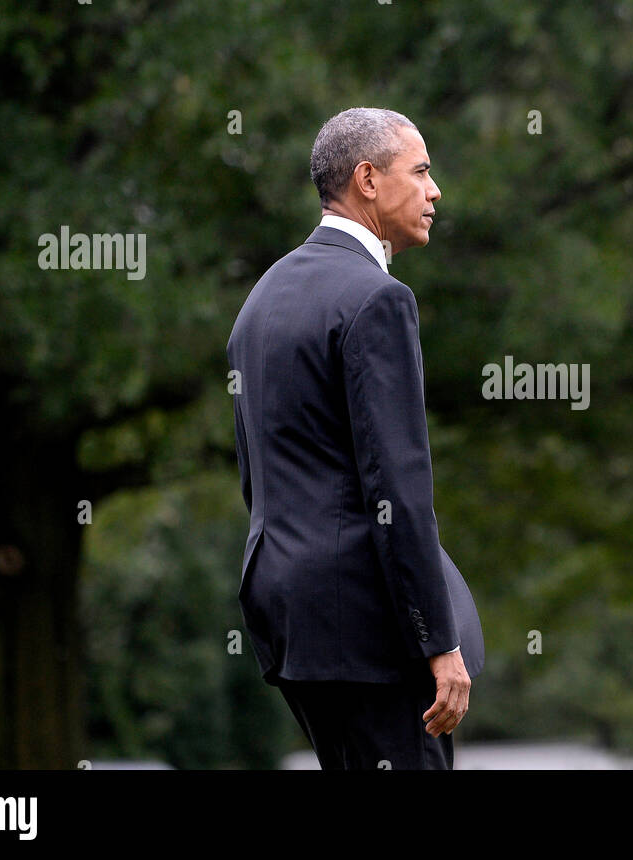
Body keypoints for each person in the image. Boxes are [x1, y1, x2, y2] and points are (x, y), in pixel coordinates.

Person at [227, 107, 484, 770]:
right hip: (370, 633)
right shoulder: (378, 299)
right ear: (368, 179)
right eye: (421, 171)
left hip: (290, 620)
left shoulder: (261, 301)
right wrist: (437, 641)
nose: (435, 192)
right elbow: (397, 488)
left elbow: (258, 477)